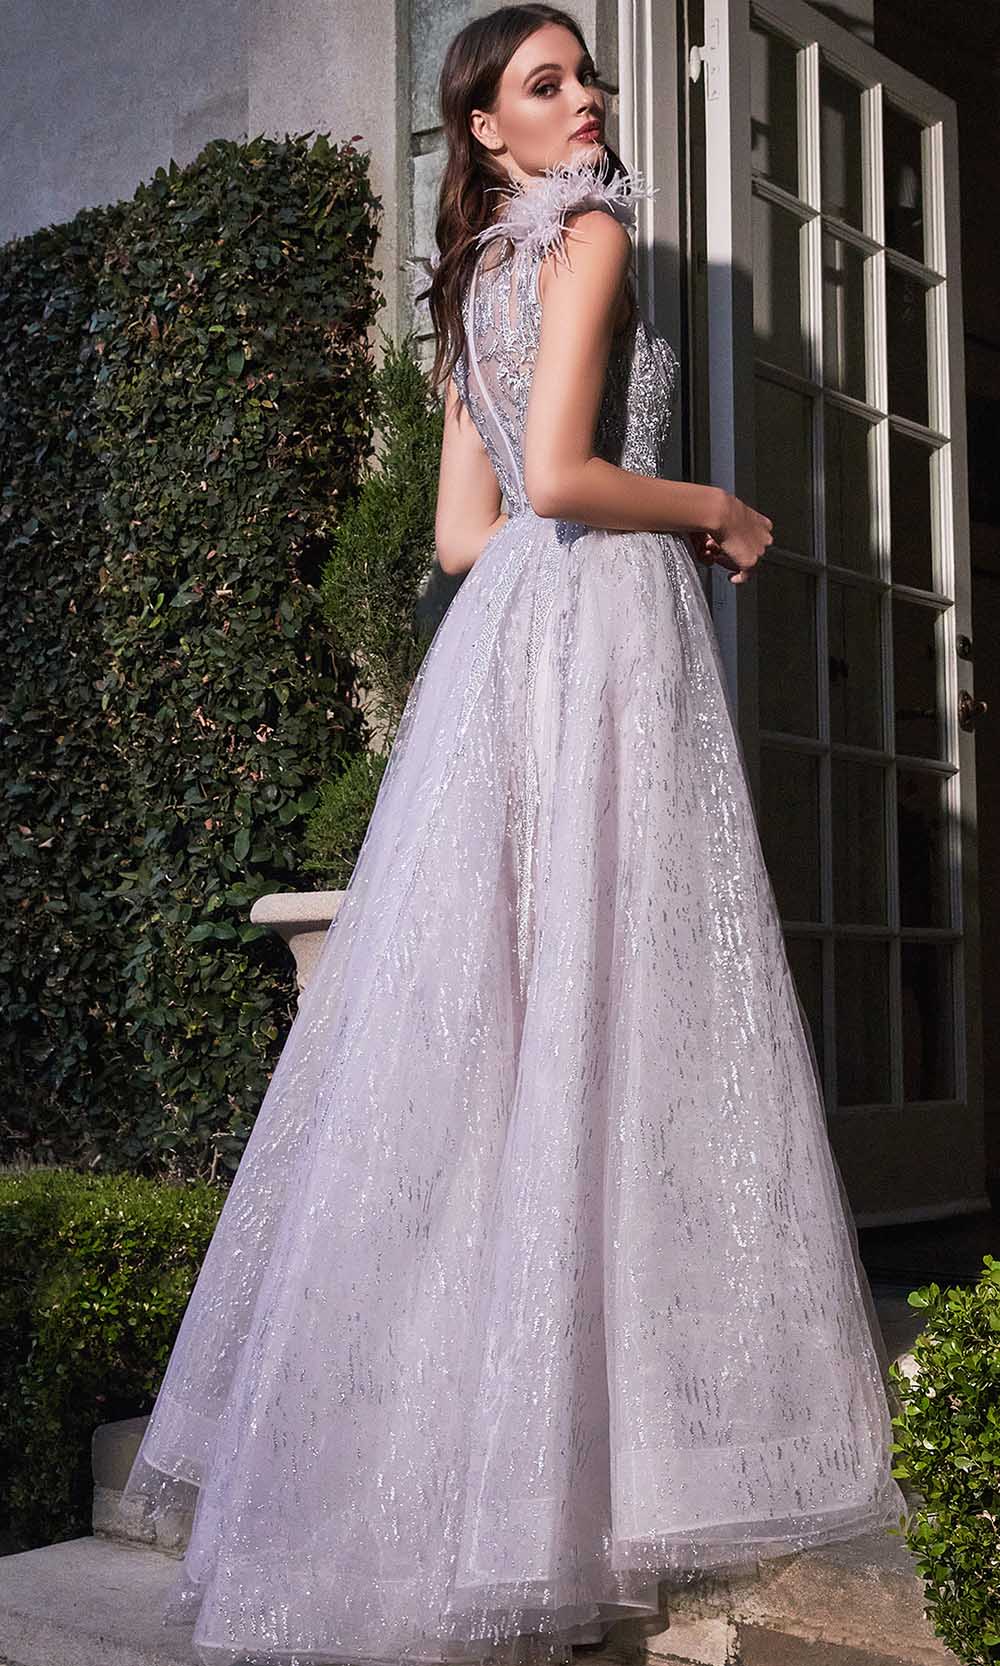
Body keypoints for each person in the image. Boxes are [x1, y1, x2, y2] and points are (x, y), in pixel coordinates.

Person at [119, 6, 909, 1664]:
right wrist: (710, 509)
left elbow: (460, 536)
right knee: (614, 1009)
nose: (586, 98)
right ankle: (593, 1461)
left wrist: (582, 545)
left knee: (513, 1023)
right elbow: (556, 482)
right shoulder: (593, 235)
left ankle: (487, 1464)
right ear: (487, 128)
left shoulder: (475, 278)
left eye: (584, 75)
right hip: (602, 636)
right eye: (547, 82)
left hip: (505, 655)